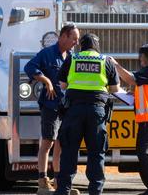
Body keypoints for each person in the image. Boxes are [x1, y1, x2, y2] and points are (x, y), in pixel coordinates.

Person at [54, 33, 120, 195]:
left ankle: (63, 190)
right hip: (97, 111)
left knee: (69, 151)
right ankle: (95, 191)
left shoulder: (72, 58)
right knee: (96, 153)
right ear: (97, 46)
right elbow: (115, 89)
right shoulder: (105, 61)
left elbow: (62, 85)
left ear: (82, 45)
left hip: (73, 111)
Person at [25, 23, 79, 195]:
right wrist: (46, 81)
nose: (76, 43)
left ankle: (58, 181)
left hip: (66, 107)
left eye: (77, 40)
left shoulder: (71, 56)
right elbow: (29, 67)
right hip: (50, 106)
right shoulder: (47, 54)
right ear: (63, 36)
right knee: (47, 142)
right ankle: (42, 180)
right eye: (74, 39)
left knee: (61, 144)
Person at [111, 44, 148, 195]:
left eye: (142, 56)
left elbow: (131, 79)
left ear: (147, 57)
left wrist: (115, 65)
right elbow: (145, 91)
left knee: (143, 151)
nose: (140, 59)